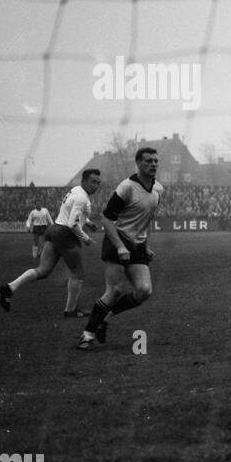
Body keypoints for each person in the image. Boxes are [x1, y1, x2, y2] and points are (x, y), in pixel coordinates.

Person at [76, 147, 164, 350]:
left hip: (138, 246)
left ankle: (105, 319)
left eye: (156, 161)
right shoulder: (127, 187)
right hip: (118, 240)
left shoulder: (158, 189)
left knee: (144, 291)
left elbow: (146, 219)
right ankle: (87, 334)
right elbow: (106, 219)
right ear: (138, 163)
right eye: (149, 161)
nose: (153, 164)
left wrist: (146, 245)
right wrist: (120, 246)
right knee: (114, 290)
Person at [0, 169, 101, 316]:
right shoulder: (82, 198)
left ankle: (10, 288)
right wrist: (86, 238)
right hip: (65, 234)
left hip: (53, 230)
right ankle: (70, 310)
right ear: (84, 181)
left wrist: (88, 222)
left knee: (43, 270)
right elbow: (73, 223)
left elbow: (70, 212)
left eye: (98, 182)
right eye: (93, 182)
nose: (96, 185)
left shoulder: (75, 190)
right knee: (78, 273)